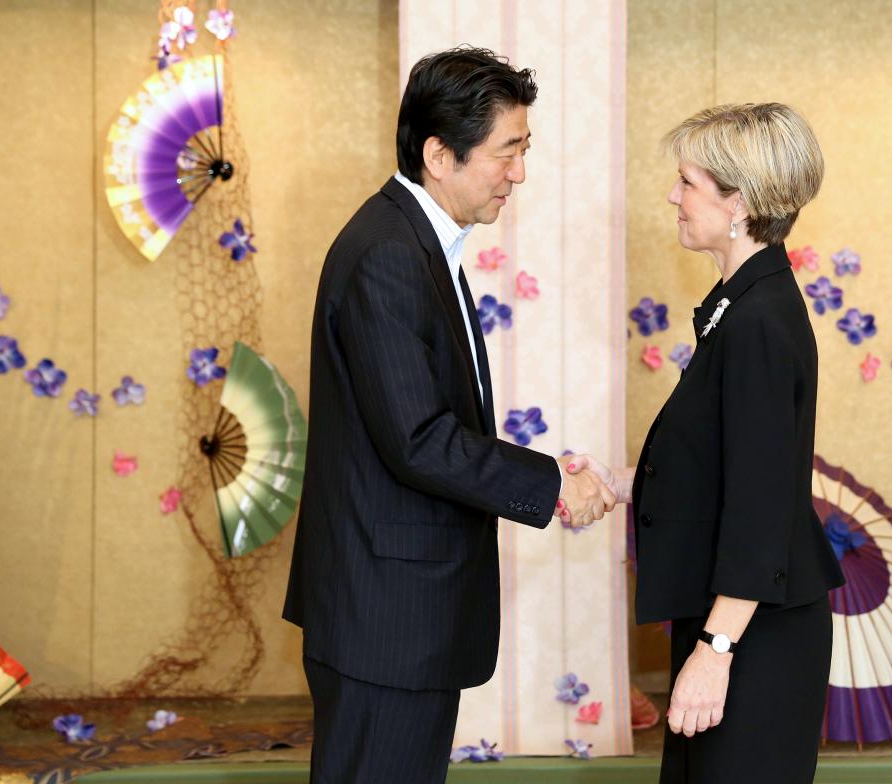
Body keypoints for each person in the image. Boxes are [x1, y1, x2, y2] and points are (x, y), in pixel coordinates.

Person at [283, 46, 615, 784]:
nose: (519, 173)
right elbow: (419, 439)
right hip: (384, 620)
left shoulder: (419, 244)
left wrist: (542, 474)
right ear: (440, 153)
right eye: (508, 151)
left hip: (399, 615)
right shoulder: (389, 255)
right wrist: (551, 485)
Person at [564, 103, 845, 783]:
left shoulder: (758, 323)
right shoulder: (739, 305)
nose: (672, 196)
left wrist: (715, 650)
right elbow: (722, 467)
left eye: (687, 182)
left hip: (754, 633)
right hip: (736, 620)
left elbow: (761, 506)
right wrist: (624, 480)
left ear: (739, 201)